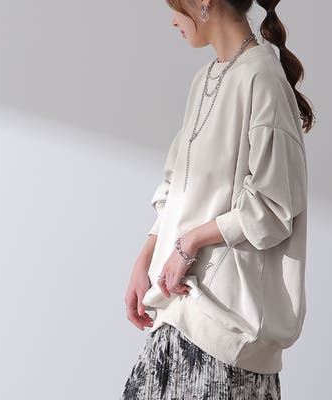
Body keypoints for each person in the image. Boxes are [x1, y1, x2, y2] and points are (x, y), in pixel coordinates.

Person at [121, 0, 315, 399]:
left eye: (175, 6)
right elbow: (176, 186)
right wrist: (146, 259)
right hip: (176, 317)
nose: (172, 20)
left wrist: (190, 242)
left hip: (223, 338)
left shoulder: (262, 78)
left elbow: (273, 206)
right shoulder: (206, 79)